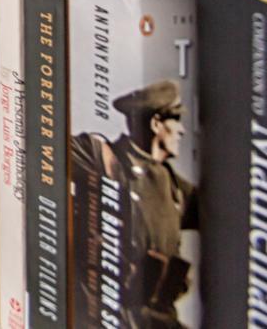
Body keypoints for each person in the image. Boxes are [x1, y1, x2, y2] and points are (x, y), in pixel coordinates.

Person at [69, 79, 199, 329]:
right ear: (156, 124)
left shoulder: (172, 185)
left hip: (157, 318)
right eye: (176, 120)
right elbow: (40, 145)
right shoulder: (103, 157)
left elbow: (224, 215)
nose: (182, 131)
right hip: (106, 315)